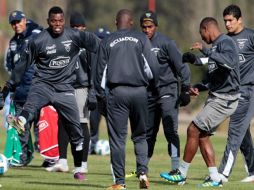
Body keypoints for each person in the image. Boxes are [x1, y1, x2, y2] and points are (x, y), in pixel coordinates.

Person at [2, 6, 99, 181]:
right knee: (31, 104)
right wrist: (7, 88)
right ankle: (21, 121)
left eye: (60, 21)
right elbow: (21, 66)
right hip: (43, 85)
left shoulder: (74, 36)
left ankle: (78, 169)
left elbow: (99, 44)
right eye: (53, 21)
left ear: (64, 21)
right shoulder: (38, 40)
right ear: (48, 22)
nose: (57, 24)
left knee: (76, 132)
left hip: (64, 89)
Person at [160, 17, 240, 187]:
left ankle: (181, 173)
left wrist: (205, 50)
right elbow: (217, 77)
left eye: (201, 33)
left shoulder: (225, 42)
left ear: (206, 28)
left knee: (193, 129)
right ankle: (215, 178)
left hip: (225, 99)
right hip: (217, 97)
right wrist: (198, 87)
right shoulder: (216, 47)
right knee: (202, 135)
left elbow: (231, 64)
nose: (202, 38)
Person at [95, 9, 159, 190]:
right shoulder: (141, 39)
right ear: (131, 23)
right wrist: (152, 88)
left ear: (116, 23)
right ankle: (143, 173)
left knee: (117, 139)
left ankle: (120, 183)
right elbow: (153, 68)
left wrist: (100, 98)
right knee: (140, 136)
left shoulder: (107, 41)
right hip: (140, 92)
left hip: (118, 93)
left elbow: (99, 73)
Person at [138, 10, 191, 175]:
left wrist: (186, 90)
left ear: (156, 26)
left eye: (150, 26)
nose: (147, 30)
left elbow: (182, 67)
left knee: (170, 130)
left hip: (167, 90)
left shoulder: (167, 43)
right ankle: (142, 169)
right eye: (144, 27)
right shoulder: (138, 43)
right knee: (148, 132)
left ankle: (175, 168)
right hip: (148, 94)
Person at [46, 12, 95, 175]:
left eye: (79, 28)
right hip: (65, 86)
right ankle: (63, 160)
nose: (77, 30)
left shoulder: (88, 43)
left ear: (84, 28)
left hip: (82, 87)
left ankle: (83, 163)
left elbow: (94, 69)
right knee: (62, 122)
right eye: (74, 27)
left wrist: (93, 90)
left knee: (81, 123)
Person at [217, 4, 254, 183]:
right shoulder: (224, 40)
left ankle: (222, 174)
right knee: (243, 132)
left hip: (249, 90)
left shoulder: (251, 37)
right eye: (225, 21)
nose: (227, 24)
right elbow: (215, 63)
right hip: (233, 92)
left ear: (239, 20)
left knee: (234, 131)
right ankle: (253, 171)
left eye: (230, 20)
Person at [4, 10, 42, 166]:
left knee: (41, 127)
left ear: (25, 20)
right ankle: (23, 158)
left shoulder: (37, 34)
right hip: (20, 91)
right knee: (21, 127)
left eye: (18, 21)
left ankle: (51, 160)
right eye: (13, 23)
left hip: (38, 88)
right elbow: (10, 66)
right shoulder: (13, 42)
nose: (16, 25)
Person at [89, 26, 110, 155]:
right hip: (95, 94)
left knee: (113, 123)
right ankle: (92, 145)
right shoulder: (91, 54)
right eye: (99, 38)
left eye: (103, 39)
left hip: (110, 94)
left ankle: (115, 146)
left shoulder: (114, 53)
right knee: (93, 123)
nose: (101, 41)